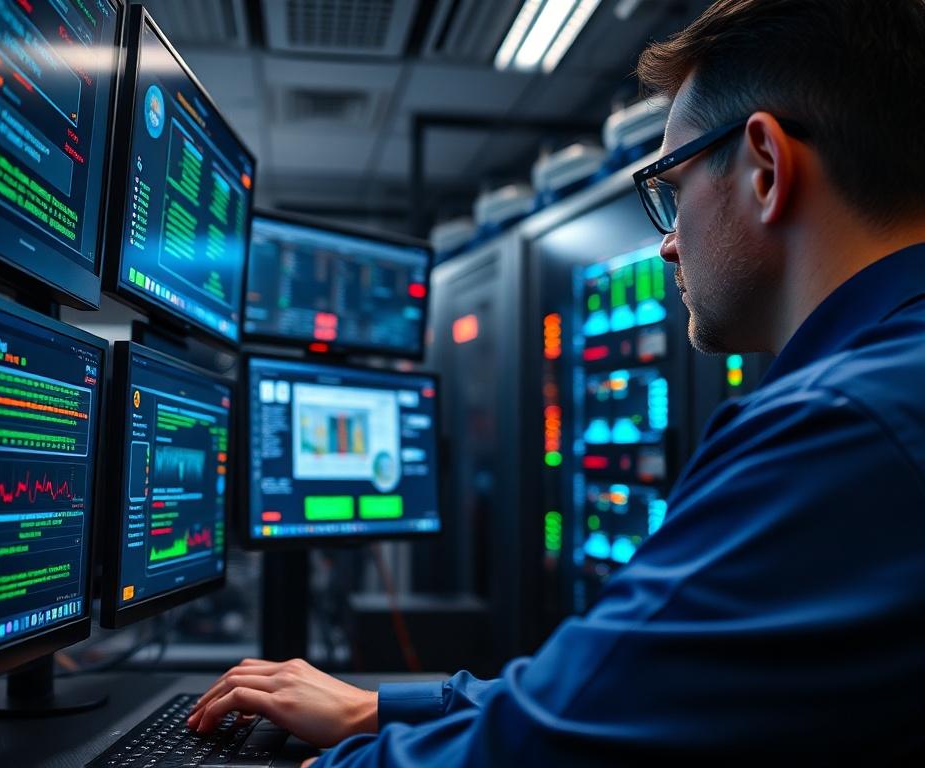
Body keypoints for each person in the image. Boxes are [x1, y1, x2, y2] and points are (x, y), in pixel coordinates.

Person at [188, 1, 925, 763]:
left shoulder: (835, 426)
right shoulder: (886, 387)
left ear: (765, 168)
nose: (668, 244)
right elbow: (634, 685)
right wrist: (379, 708)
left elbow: (549, 747)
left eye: (671, 191)